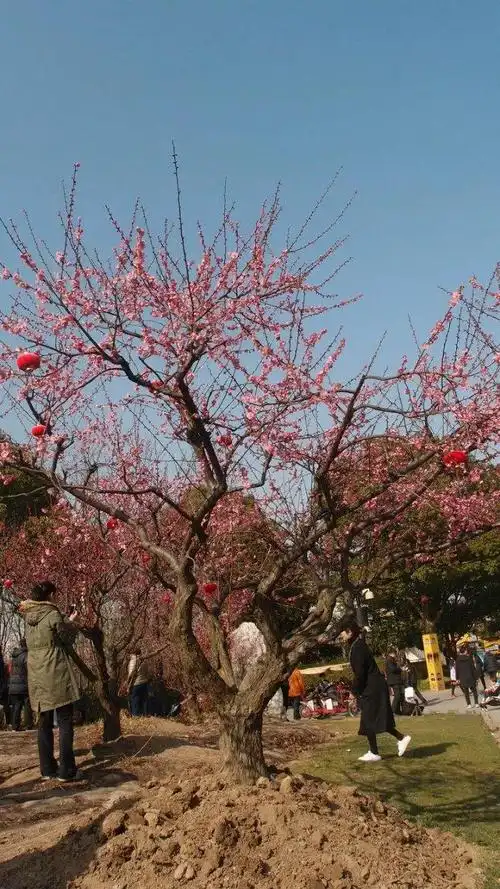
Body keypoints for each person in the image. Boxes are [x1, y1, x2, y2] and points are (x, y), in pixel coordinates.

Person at [19, 581, 83, 781]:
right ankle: (67, 770)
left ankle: (47, 769)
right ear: (50, 595)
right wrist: (72, 621)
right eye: (55, 594)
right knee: (65, 721)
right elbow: (67, 639)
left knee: (44, 722)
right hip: (56, 672)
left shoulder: (28, 618)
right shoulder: (53, 615)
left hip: (37, 675)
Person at [344, 620, 411, 762]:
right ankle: (401, 738)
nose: (340, 636)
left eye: (342, 633)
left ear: (349, 632)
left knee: (369, 719)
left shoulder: (358, 647)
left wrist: (353, 692)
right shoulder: (357, 646)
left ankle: (374, 752)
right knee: (377, 718)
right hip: (373, 687)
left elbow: (360, 674)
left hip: (372, 688)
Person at [8, 638, 30, 731]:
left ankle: (15, 726)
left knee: (16, 705)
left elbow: (10, 670)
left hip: (12, 684)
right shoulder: (25, 655)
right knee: (28, 703)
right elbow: (28, 669)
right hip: (23, 683)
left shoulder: (14, 657)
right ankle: (28, 724)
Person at [127, 650, 150, 716]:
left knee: (135, 699)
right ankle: (146, 714)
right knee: (144, 699)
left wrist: (128, 682)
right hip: (144, 682)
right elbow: (147, 672)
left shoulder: (133, 661)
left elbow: (131, 673)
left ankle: (135, 715)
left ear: (133, 653)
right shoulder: (144, 661)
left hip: (136, 683)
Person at [385, 650, 404, 714]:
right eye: (394, 653)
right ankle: (392, 711)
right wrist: (400, 669)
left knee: (399, 696)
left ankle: (397, 711)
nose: (395, 654)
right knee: (397, 696)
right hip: (394, 681)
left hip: (396, 680)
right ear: (391, 653)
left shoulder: (392, 660)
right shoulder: (389, 660)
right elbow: (393, 669)